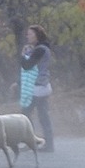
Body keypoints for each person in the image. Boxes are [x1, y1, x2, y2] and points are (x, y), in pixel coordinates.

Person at [19, 24, 55, 152]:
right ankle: (47, 143)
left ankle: (34, 143)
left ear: (37, 35)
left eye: (30, 34)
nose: (27, 36)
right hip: (41, 86)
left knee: (27, 115)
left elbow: (27, 66)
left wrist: (23, 55)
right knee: (40, 115)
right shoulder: (41, 49)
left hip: (37, 87)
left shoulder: (40, 49)